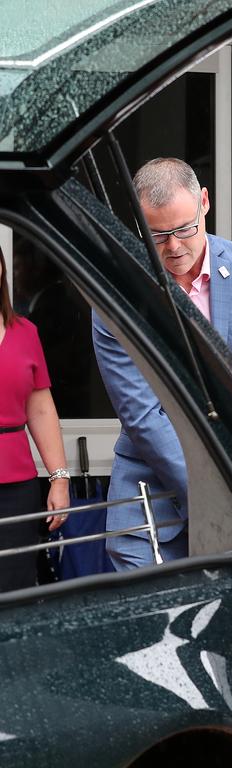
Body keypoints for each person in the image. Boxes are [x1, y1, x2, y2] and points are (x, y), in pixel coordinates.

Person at [93, 158, 232, 571]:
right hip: (151, 501)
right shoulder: (117, 291)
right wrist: (220, 495)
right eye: (157, 234)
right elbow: (141, 413)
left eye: (185, 229)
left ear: (204, 202)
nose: (174, 247)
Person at [0, 249, 69, 591]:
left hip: (16, 489)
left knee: (15, 591)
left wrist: (59, 478)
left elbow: (40, 408)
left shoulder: (25, 331)